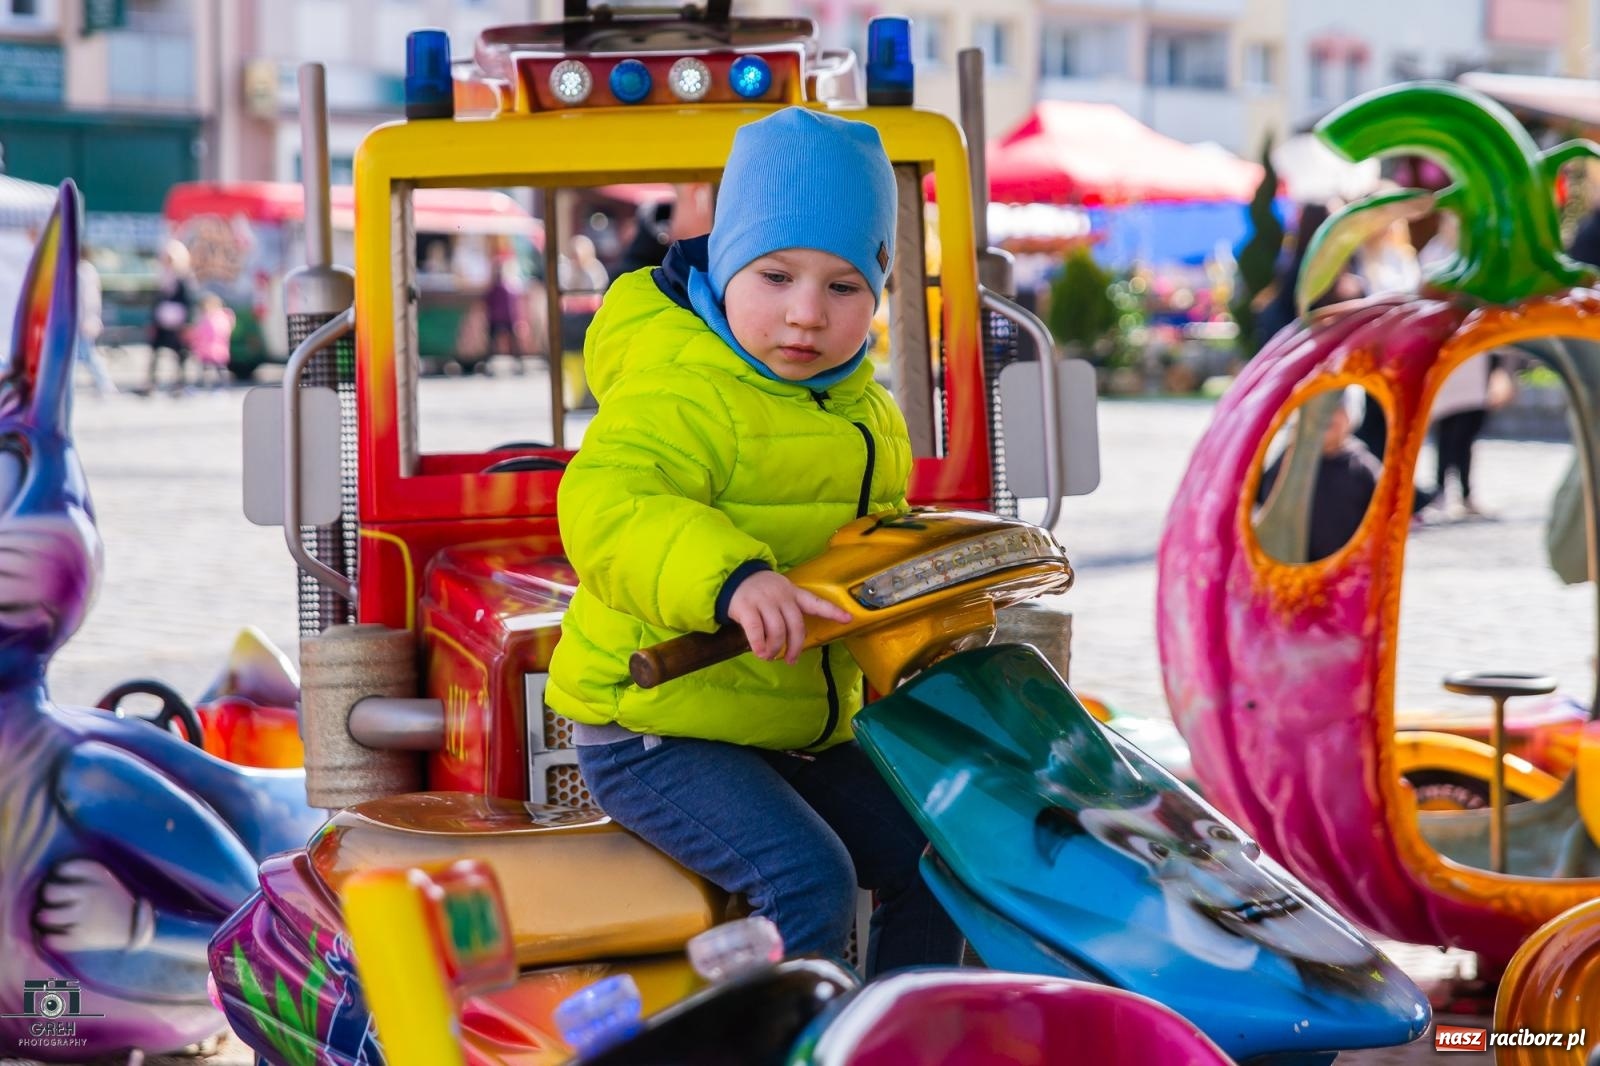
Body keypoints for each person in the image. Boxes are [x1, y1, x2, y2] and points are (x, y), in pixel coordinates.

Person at [546, 107, 962, 978]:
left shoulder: (865, 412)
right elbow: (611, 505)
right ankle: (780, 1035)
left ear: (880, 290)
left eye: (843, 287)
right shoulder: (680, 387)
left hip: (782, 719)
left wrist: (936, 597)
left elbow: (873, 548)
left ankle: (893, 1028)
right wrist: (732, 580)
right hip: (653, 722)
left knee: (942, 855)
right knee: (808, 877)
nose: (806, 314)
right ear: (726, 263)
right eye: (776, 276)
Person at [1257, 388, 1383, 562]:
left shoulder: (1363, 468)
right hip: (1291, 566)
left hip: (1339, 567)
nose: (1327, 415)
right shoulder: (1288, 460)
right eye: (1319, 410)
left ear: (1351, 419)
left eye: (1337, 409)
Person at [145, 240, 194, 396]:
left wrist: (187, 323)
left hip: (177, 323)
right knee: (155, 352)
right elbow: (156, 301)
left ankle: (179, 383)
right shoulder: (162, 277)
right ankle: (151, 383)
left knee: (180, 353)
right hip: (162, 321)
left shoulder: (183, 278)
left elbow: (188, 301)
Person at [75, 244, 116, 397]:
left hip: (83, 321)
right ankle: (104, 384)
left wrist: (88, 319)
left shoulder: (83, 271)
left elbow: (88, 299)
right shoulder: (85, 270)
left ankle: (106, 385)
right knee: (84, 354)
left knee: (88, 354)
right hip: (84, 320)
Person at [189, 292, 235, 390]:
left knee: (219, 368)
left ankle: (222, 385)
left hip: (216, 348)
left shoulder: (218, 318)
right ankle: (208, 385)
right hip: (207, 349)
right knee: (207, 368)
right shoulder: (208, 318)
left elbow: (220, 333)